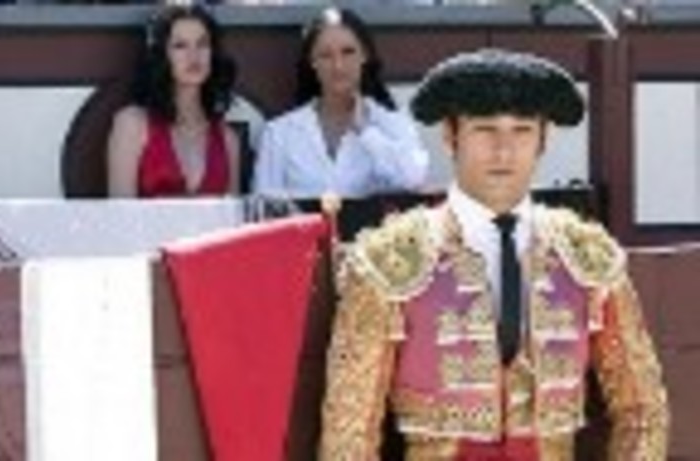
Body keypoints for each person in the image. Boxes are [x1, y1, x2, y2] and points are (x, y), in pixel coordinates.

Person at [319, 48, 669, 460]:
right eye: (485, 130)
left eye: (521, 131)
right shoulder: (389, 259)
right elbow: (349, 430)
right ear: (451, 136)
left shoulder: (588, 258)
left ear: (543, 139)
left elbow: (643, 411)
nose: (504, 151)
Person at [252, 7, 429, 199]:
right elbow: (264, 206)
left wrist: (366, 133)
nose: (338, 65)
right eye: (326, 55)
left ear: (364, 55)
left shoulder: (391, 123)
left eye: (348, 52)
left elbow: (414, 178)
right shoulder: (279, 134)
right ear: (312, 62)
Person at [107, 5, 240, 197]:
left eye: (202, 44)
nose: (194, 55)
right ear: (162, 55)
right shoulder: (131, 124)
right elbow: (119, 209)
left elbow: (232, 214)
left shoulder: (228, 139)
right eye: (180, 45)